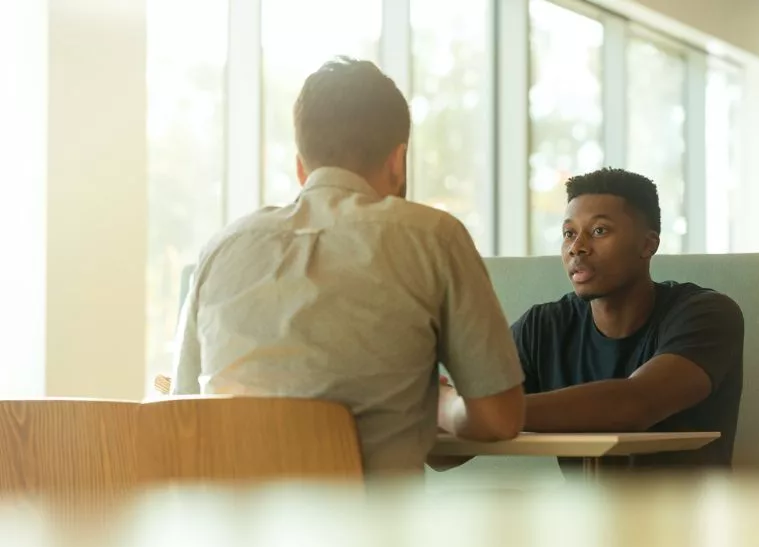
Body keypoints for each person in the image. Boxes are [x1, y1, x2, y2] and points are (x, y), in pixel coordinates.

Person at [170, 57, 525, 476]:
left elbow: (180, 412)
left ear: (302, 166)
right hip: (371, 536)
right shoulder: (433, 237)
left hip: (229, 535)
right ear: (398, 161)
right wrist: (443, 404)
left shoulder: (221, 248)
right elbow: (499, 419)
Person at [442, 168, 744, 469]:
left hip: (689, 515)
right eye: (569, 234)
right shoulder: (542, 328)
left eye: (599, 230)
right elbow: (446, 457)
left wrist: (479, 411)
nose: (577, 247)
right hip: (583, 515)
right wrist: (436, 409)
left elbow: (634, 405)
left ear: (648, 244)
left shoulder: (707, 315)